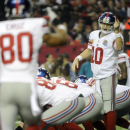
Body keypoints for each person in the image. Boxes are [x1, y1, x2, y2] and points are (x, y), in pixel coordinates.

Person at [0, 1, 68, 130]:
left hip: (5, 85)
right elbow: (62, 38)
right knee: (33, 124)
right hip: (26, 85)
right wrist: (53, 17)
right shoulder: (35, 24)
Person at [72, 12, 124, 130]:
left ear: (113, 25)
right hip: (96, 76)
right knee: (99, 108)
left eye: (108, 24)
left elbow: (119, 48)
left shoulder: (116, 36)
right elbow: (89, 50)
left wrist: (117, 31)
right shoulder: (94, 34)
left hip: (108, 74)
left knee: (108, 106)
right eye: (103, 24)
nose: (105, 26)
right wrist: (78, 57)